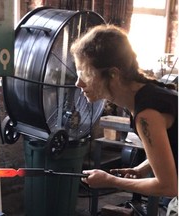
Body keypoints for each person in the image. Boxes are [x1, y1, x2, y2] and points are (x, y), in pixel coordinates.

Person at [70, 24, 178, 215]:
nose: (78, 83)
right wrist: (142, 169)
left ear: (113, 74)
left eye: (85, 73)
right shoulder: (144, 96)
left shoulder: (147, 113)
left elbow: (168, 186)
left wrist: (110, 181)